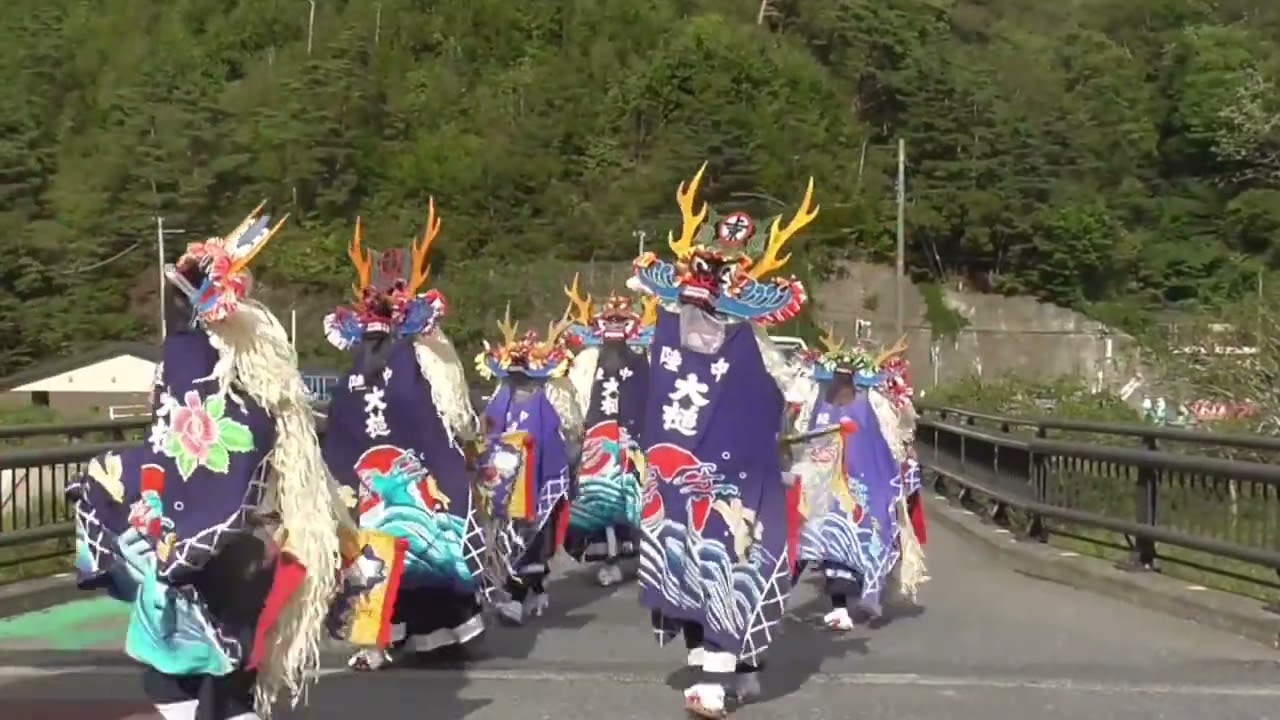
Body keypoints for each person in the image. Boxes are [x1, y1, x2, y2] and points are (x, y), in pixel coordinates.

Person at [66, 205, 352, 720]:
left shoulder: (191, 359)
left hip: (201, 545)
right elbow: (181, 441)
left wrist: (115, 479)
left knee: (178, 674)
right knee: (225, 674)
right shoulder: (250, 368)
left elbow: (176, 442)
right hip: (246, 539)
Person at [630, 163, 815, 718]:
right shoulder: (665, 333)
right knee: (688, 565)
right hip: (680, 477)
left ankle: (717, 678)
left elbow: (793, 401)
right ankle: (732, 667)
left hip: (733, 482)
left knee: (731, 563)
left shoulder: (754, 346)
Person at [321, 202, 486, 670]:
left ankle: (393, 638)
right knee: (405, 553)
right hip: (393, 481)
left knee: (391, 551)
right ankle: (405, 636)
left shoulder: (374, 367)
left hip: (389, 483)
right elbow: (453, 412)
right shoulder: (416, 359)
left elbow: (340, 428)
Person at [787, 330, 927, 631]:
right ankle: (828, 606)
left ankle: (865, 596)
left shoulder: (873, 403)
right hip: (824, 485)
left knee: (865, 540)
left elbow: (894, 435)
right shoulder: (819, 401)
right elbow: (805, 436)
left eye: (845, 379)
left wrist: (903, 457)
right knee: (819, 544)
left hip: (863, 485)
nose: (839, 386)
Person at [475, 308, 584, 624]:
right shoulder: (501, 398)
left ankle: (519, 594)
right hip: (506, 479)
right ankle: (526, 590)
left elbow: (564, 437)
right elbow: (487, 431)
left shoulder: (551, 398)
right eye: (514, 375)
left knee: (533, 534)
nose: (518, 380)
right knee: (506, 534)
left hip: (538, 478)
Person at [560, 275, 657, 586]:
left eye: (622, 320)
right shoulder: (588, 358)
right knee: (599, 497)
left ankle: (636, 556)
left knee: (635, 496)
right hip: (599, 439)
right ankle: (608, 555)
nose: (616, 324)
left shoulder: (645, 355)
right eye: (610, 319)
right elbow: (576, 395)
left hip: (633, 440)